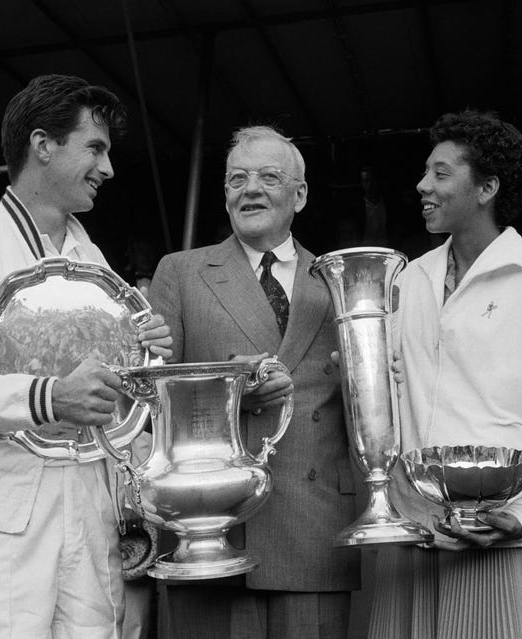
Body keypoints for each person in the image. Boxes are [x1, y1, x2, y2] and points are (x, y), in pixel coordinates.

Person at [0, 74, 172, 638]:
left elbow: (116, 402)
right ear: (42, 145)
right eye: (94, 148)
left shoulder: (93, 260)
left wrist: (146, 360)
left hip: (91, 514)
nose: (108, 168)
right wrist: (50, 397)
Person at [368, 111, 522, 638]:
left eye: (441, 174)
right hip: (417, 539)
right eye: (426, 172)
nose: (422, 185)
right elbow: (392, 399)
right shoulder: (407, 280)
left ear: (487, 187)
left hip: (506, 542)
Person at [148, 125, 360, 639]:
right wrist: (230, 389)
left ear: (300, 195)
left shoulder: (341, 280)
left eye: (269, 176)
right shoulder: (181, 272)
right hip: (211, 526)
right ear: (223, 195)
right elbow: (148, 399)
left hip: (312, 525)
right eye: (236, 178)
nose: (251, 189)